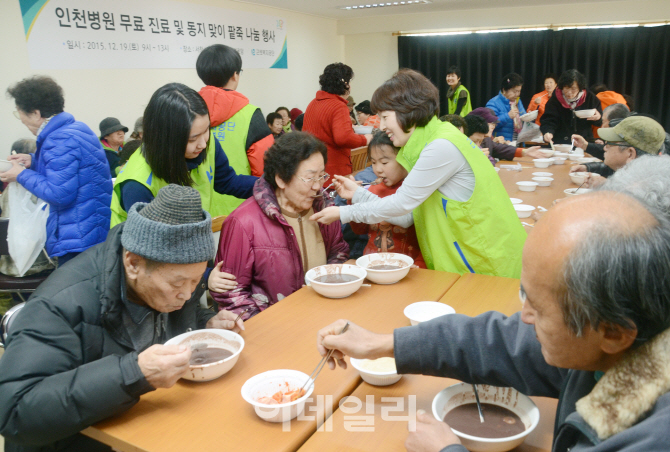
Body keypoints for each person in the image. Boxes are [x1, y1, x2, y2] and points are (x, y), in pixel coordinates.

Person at [317, 190, 670, 452]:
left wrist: (446, 450)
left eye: (539, 309)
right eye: (524, 295)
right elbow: (502, 343)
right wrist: (383, 343)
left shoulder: (652, 438)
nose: (524, 316)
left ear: (613, 332)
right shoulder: (614, 338)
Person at [0, 185, 245, 452]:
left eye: (197, 281)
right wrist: (134, 373)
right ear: (133, 263)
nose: (187, 294)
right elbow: (14, 411)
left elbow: (180, 310)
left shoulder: (168, 276)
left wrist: (206, 320)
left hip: (148, 424)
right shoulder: (60, 303)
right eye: (178, 284)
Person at [311, 70, 526, 278]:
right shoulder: (434, 139)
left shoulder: (440, 146)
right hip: (477, 261)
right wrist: (358, 194)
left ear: (408, 111)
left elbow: (401, 204)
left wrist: (342, 213)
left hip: (486, 265)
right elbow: (405, 216)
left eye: (385, 117)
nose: (382, 126)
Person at [211, 132, 349, 320]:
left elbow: (338, 254)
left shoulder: (324, 209)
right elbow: (231, 295)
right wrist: (270, 326)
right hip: (272, 329)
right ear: (281, 179)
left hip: (324, 315)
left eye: (321, 176)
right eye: (310, 178)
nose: (318, 186)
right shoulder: (243, 223)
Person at [110, 83, 256, 226]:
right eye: (192, 139)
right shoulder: (137, 184)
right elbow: (152, 242)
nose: (203, 144)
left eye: (206, 130)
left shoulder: (207, 143)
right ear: (165, 139)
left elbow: (227, 181)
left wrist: (268, 185)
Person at [2, 76, 111, 267]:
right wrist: (33, 161)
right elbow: (72, 172)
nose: (21, 120)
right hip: (92, 229)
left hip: (77, 237)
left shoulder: (59, 139)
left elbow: (59, 194)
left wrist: (20, 175)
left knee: (75, 295)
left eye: (20, 114)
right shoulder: (76, 129)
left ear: (35, 113)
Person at [197, 45, 274, 191]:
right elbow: (264, 168)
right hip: (241, 205)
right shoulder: (251, 114)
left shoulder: (187, 111)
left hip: (198, 207)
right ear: (235, 74)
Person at [349, 132, 425, 267]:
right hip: (373, 265)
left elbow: (427, 240)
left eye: (384, 162)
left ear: (405, 158)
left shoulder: (415, 193)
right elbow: (360, 230)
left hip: (408, 267)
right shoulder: (372, 190)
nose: (378, 169)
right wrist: (352, 200)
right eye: (373, 162)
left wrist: (419, 264)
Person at [303, 63, 372, 186]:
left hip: (313, 170)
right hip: (334, 172)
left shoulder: (312, 103)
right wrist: (365, 139)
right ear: (344, 84)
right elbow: (343, 138)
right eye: (349, 82)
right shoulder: (338, 106)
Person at [571, 116, 665, 188]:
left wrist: (608, 186)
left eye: (609, 144)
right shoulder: (644, 177)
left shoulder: (642, 196)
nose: (604, 148)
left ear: (630, 154)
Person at [541, 69, 602, 144]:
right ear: (562, 87)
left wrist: (598, 118)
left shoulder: (590, 98)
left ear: (580, 88)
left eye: (573, 88)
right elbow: (548, 120)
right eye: (566, 88)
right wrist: (548, 132)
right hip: (560, 143)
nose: (569, 92)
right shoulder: (555, 99)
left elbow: (599, 122)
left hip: (584, 142)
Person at [468, 107, 549, 160]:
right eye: (490, 123)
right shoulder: (467, 140)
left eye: (494, 124)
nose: (493, 126)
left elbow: (501, 149)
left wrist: (525, 152)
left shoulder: (487, 139)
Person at [485, 73, 526, 141]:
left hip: (518, 141)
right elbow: (489, 125)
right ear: (504, 90)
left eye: (519, 91)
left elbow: (523, 117)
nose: (517, 94)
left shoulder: (518, 102)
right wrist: (507, 116)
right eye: (514, 91)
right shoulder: (493, 103)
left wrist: (527, 117)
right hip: (501, 144)